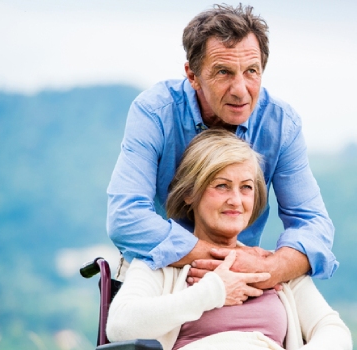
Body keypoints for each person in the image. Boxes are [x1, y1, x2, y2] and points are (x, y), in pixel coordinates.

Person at [106, 4, 337, 290]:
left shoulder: (281, 124)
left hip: (246, 278)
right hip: (159, 271)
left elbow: (314, 223)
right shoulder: (154, 112)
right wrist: (222, 260)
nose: (240, 90)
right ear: (192, 76)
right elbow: (125, 218)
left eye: (251, 71)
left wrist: (269, 267)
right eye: (224, 72)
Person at [106, 130, 351, 350]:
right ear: (190, 192)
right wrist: (214, 290)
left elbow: (335, 332)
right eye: (222, 186)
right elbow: (120, 326)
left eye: (246, 188)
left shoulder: (272, 266)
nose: (236, 200)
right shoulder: (160, 260)